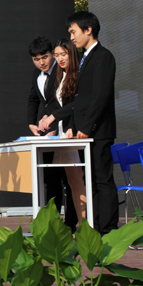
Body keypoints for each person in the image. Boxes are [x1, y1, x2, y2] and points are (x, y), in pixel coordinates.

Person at [39, 11, 118, 235]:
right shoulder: (85, 58)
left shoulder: (103, 56)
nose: (72, 37)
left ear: (88, 30)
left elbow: (100, 96)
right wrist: (75, 126)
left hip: (98, 131)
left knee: (102, 180)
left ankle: (109, 229)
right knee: (92, 181)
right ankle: (96, 227)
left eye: (73, 32)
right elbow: (81, 100)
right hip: (86, 132)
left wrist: (87, 127)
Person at [27, 37, 77, 229]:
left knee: (69, 179)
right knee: (50, 179)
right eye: (36, 59)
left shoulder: (63, 71)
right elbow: (33, 98)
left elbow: (67, 101)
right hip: (47, 131)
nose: (42, 62)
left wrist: (55, 122)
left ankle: (71, 223)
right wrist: (32, 123)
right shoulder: (37, 74)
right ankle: (53, 223)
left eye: (45, 57)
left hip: (65, 128)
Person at [52, 37, 86, 220]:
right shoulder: (61, 75)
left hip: (73, 133)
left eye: (63, 54)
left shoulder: (78, 74)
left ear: (71, 53)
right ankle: (80, 223)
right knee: (72, 181)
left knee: (78, 179)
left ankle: (85, 224)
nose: (60, 58)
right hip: (63, 132)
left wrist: (71, 126)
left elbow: (76, 106)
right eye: (57, 55)